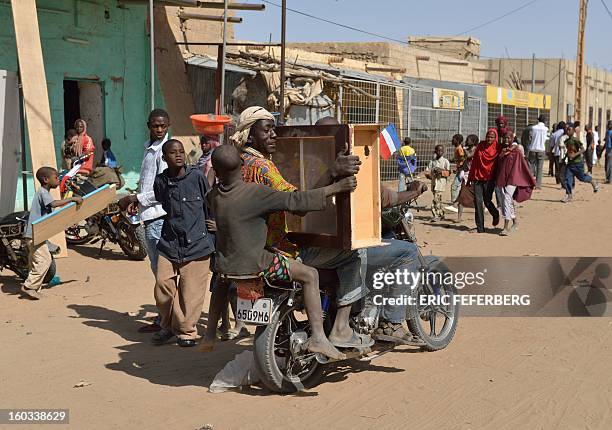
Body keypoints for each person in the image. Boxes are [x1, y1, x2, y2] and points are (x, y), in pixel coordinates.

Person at [217, 107, 371, 351]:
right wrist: (334, 176)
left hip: (243, 249)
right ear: (250, 135)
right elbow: (297, 202)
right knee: (355, 254)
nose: (274, 135)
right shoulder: (264, 167)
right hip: (277, 249)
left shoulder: (239, 163)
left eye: (274, 130)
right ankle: (340, 328)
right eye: (267, 130)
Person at [149, 140, 215, 347]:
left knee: (191, 293)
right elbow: (163, 203)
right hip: (170, 242)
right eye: (172, 152)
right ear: (164, 158)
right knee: (162, 286)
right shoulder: (160, 181)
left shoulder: (197, 177)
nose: (178, 155)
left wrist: (214, 231)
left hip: (197, 243)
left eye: (181, 152)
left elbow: (209, 205)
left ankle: (187, 332)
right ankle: (167, 326)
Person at [118, 109, 170, 333]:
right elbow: (149, 184)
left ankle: (166, 321)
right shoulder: (149, 148)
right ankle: (166, 318)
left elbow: (163, 189)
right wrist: (137, 200)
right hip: (149, 216)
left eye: (163, 126)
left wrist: (134, 198)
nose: (159, 130)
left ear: (168, 126)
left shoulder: (165, 151)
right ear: (148, 125)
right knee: (158, 270)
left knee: (162, 273)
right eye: (155, 126)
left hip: (158, 217)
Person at [21, 167, 82, 300]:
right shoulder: (43, 192)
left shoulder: (43, 192)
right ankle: (29, 287)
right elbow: (54, 203)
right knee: (45, 260)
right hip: (35, 234)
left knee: (35, 262)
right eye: (56, 177)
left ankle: (33, 288)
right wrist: (72, 200)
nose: (58, 179)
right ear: (46, 180)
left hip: (35, 233)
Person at [496, 130, 534, 236]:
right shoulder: (503, 150)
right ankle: (515, 220)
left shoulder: (517, 151)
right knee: (506, 199)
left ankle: (505, 227)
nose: (506, 140)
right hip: (503, 177)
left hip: (513, 178)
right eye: (505, 138)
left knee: (507, 199)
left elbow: (522, 165)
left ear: (512, 138)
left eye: (509, 138)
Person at [468, 128, 501, 233]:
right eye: (488, 136)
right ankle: (480, 227)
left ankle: (495, 214)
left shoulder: (498, 148)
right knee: (478, 202)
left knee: (487, 201)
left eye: (491, 137)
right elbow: (474, 163)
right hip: (477, 178)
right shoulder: (480, 146)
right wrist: (470, 177)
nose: (489, 139)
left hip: (490, 179)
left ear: (495, 138)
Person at [562, 124, 599, 203]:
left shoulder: (575, 140)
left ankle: (593, 181)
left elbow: (583, 149)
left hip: (578, 163)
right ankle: (569, 195)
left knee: (582, 178)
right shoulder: (566, 141)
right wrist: (564, 158)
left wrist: (574, 155)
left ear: (573, 131)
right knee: (567, 179)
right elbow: (568, 151)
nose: (568, 131)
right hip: (570, 164)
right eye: (567, 129)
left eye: (569, 129)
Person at [424, 145, 451, 222]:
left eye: (441, 151)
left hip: (441, 183)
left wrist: (441, 171)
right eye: (438, 151)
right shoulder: (432, 161)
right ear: (435, 151)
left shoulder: (445, 161)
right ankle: (442, 214)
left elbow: (448, 173)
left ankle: (436, 215)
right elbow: (427, 171)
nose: (440, 152)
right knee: (438, 199)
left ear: (443, 152)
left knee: (436, 199)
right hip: (434, 182)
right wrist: (429, 175)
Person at [527, 115, 548, 189]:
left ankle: (530, 183)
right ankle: (538, 185)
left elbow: (530, 137)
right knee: (539, 168)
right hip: (541, 150)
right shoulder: (546, 129)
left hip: (532, 149)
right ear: (545, 120)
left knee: (531, 166)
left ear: (538, 120)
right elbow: (545, 138)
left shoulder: (533, 128)